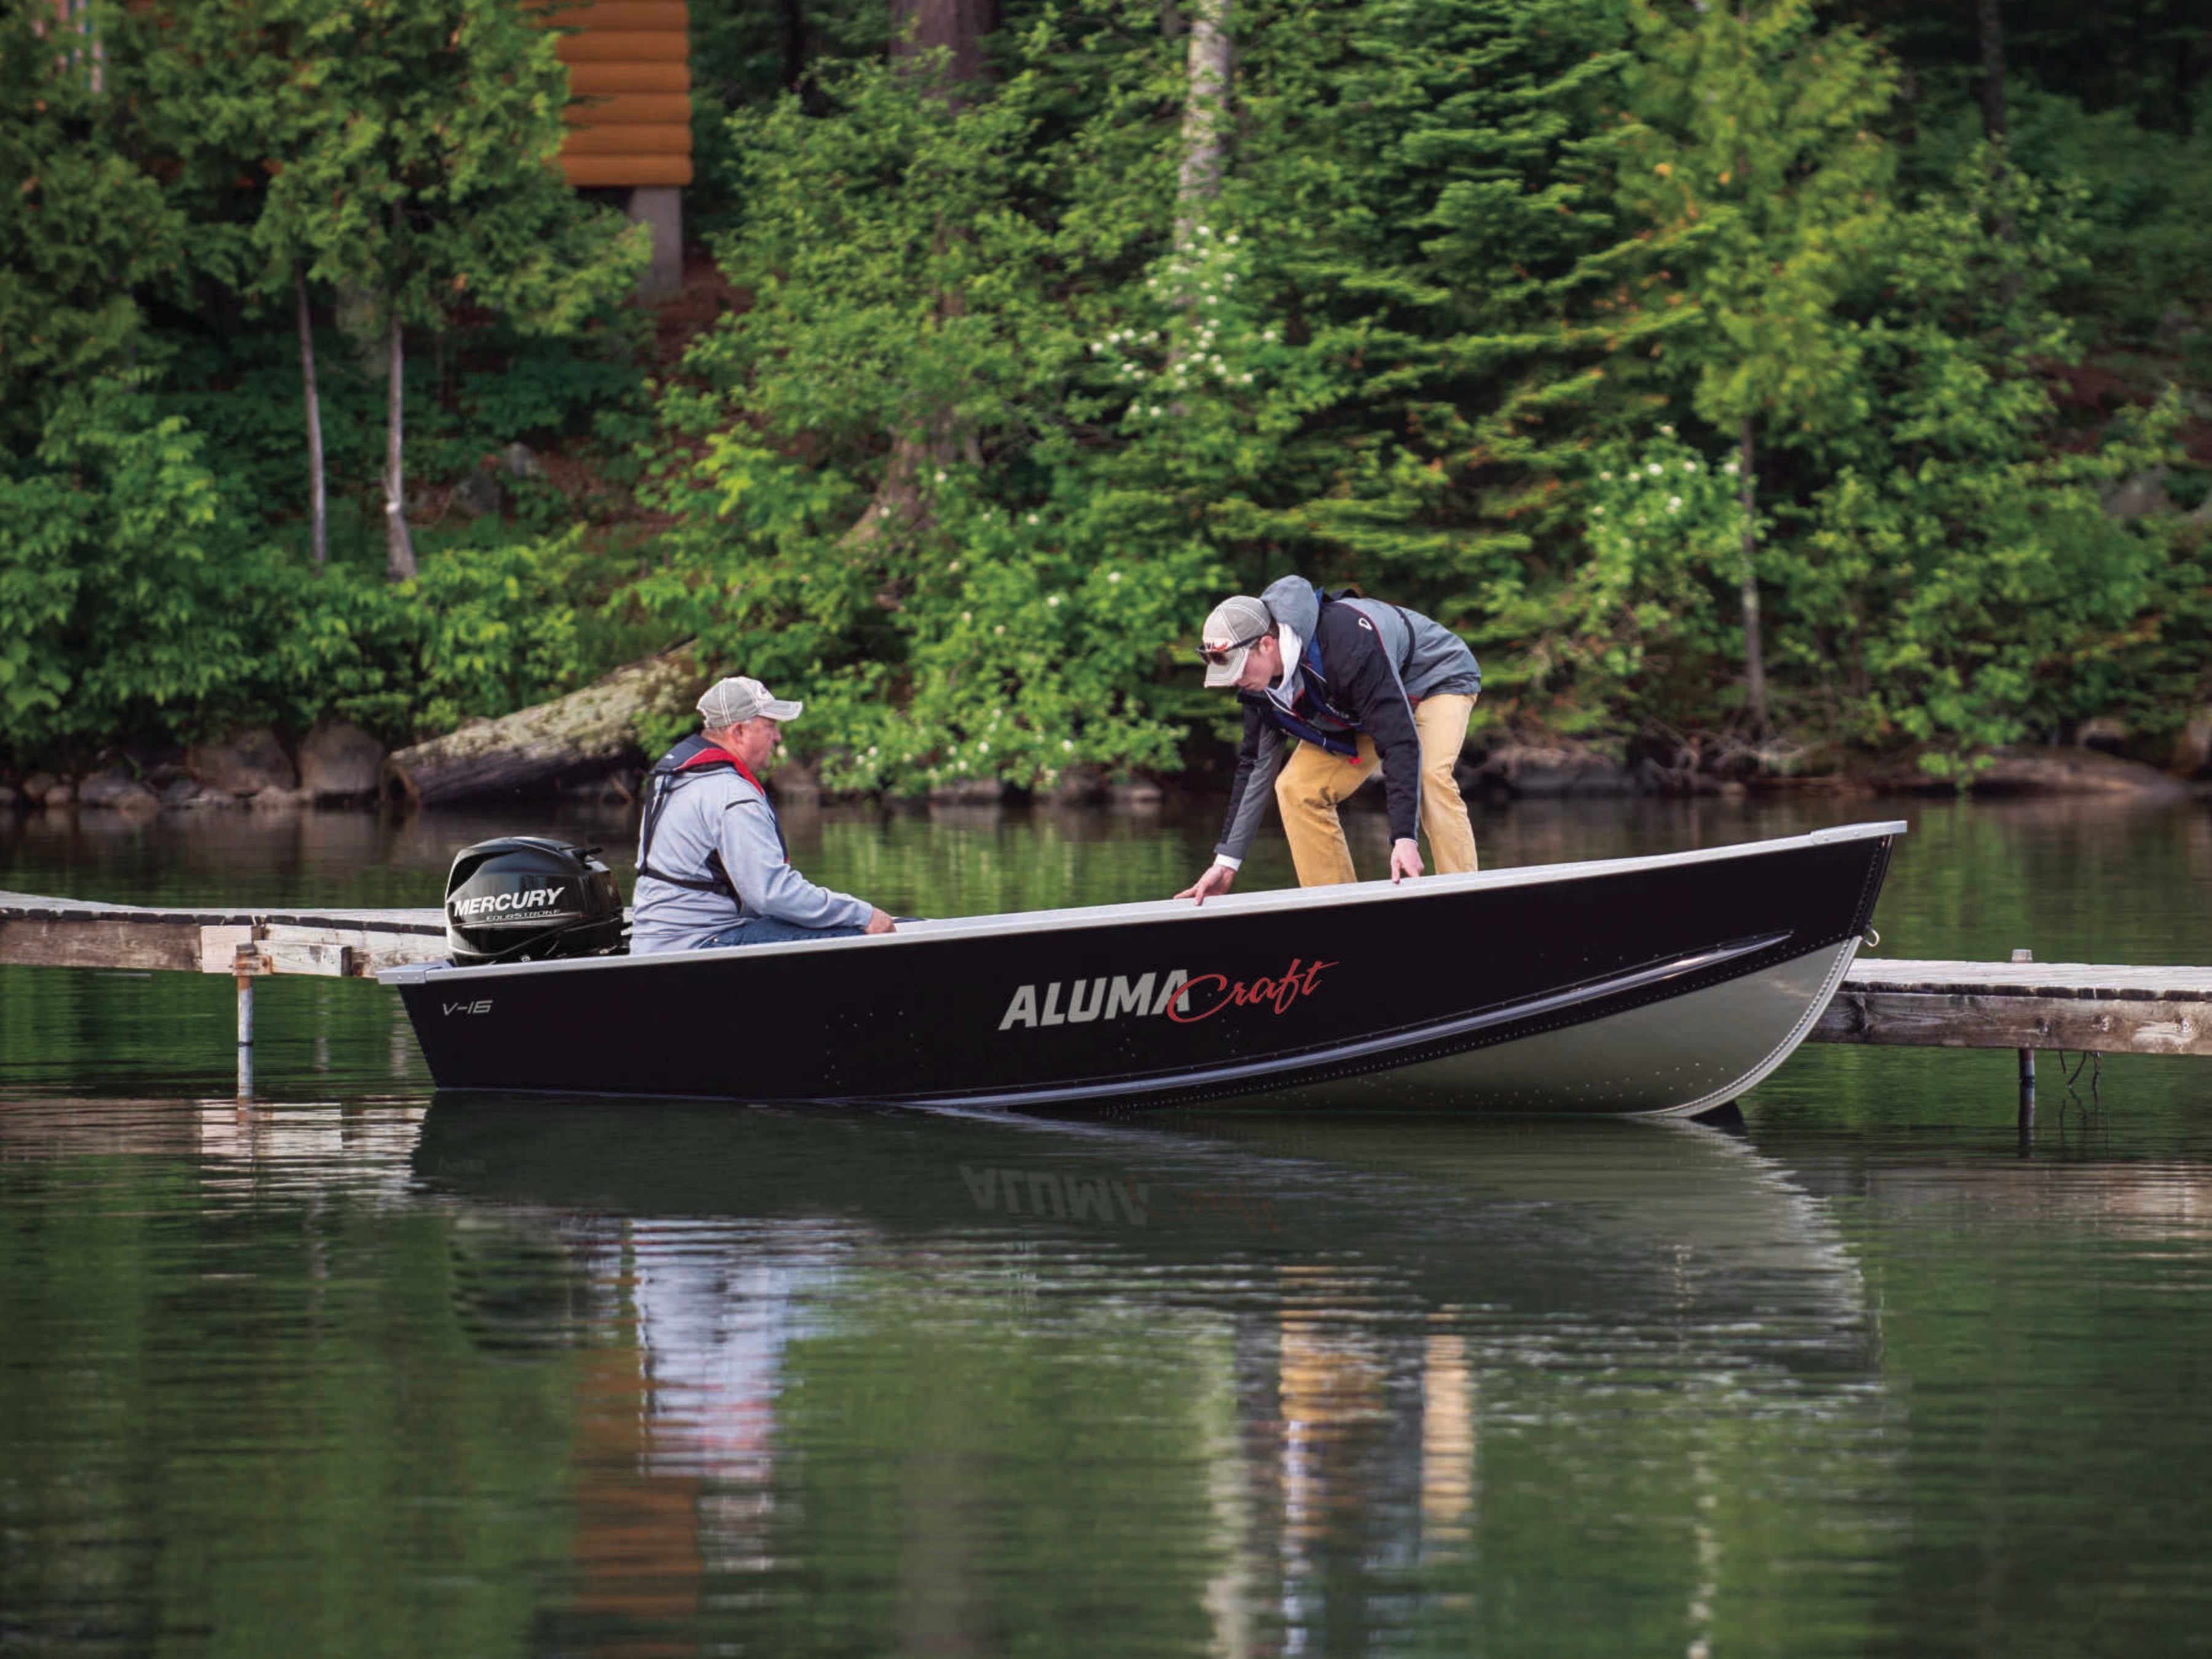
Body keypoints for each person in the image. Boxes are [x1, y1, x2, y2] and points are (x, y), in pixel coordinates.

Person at [1177, 576, 1481, 902]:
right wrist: (1226, 863)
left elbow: (1399, 741)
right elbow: (1255, 767)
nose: (1234, 680)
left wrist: (1404, 838)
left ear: (1266, 644)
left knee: (1429, 775)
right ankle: (1337, 909)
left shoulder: (1347, 643)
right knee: (1296, 790)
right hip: (1363, 707)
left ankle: (1464, 897)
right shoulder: (1258, 686)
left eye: (1237, 667)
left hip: (1435, 677)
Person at [630, 675, 895, 953]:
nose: (779, 737)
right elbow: (772, 893)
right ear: (739, 732)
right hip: (699, 944)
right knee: (859, 931)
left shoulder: (675, 780)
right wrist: (863, 914)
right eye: (770, 726)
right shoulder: (731, 794)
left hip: (654, 942)